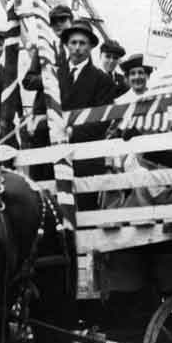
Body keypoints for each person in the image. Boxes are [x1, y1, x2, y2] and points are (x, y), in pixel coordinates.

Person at [60, 19, 117, 209]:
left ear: (91, 46)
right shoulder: (53, 75)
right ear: (67, 45)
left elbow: (102, 121)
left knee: (85, 209)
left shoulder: (102, 80)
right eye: (73, 43)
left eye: (82, 43)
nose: (77, 48)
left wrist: (71, 132)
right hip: (55, 152)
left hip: (86, 155)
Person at [21, 4, 75, 179]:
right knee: (41, 171)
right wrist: (49, 77)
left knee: (66, 169)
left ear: (71, 22)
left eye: (63, 20)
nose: (58, 25)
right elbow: (27, 81)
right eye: (54, 22)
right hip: (44, 117)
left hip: (69, 117)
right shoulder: (44, 49)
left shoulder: (78, 49)